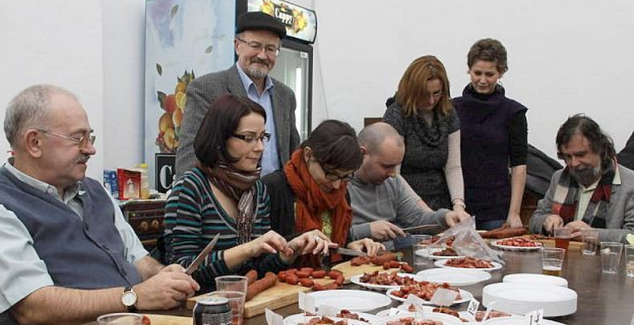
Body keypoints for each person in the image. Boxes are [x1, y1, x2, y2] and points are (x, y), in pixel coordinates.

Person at [0, 85, 199, 325]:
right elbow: (33, 306)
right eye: (78, 138)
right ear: (34, 143)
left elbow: (138, 260)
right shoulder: (0, 204)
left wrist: (164, 277)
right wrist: (134, 296)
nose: (90, 149)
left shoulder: (95, 190)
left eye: (90, 137)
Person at [164, 95, 332, 291]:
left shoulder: (257, 190)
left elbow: (257, 270)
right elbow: (182, 271)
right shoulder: (191, 188)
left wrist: (288, 252)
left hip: (243, 303)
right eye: (249, 138)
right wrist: (248, 248)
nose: (260, 147)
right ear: (220, 138)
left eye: (262, 137)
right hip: (198, 308)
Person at [176, 11, 300, 177]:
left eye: (270, 49)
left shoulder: (286, 96)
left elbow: (293, 155)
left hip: (277, 198)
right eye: (255, 46)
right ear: (237, 45)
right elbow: (189, 157)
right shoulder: (205, 89)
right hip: (227, 198)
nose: (262, 55)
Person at [262, 120, 383, 262]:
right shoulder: (273, 188)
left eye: (344, 177)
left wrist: (350, 249)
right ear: (308, 155)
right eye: (330, 174)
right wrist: (291, 248)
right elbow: (260, 259)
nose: (337, 185)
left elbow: (333, 248)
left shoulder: (341, 193)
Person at [453, 38, 528, 230]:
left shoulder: (514, 112)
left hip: (496, 206)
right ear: (469, 70)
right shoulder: (453, 108)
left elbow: (519, 165)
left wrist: (514, 213)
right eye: (477, 73)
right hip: (458, 204)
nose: (483, 80)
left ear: (501, 73)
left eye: (490, 74)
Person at [383, 55, 469, 221]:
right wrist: (426, 211)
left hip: (441, 198)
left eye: (436, 94)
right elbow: (394, 174)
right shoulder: (397, 115)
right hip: (406, 203)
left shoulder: (448, 113)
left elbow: (453, 166)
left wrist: (458, 205)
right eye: (424, 94)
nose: (431, 100)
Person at [349, 122, 462, 241]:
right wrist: (367, 230)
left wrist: (444, 217)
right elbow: (332, 237)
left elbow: (416, 220)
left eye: (395, 166)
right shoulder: (338, 185)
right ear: (362, 154)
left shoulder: (393, 182)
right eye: (386, 166)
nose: (393, 174)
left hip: (392, 255)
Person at [530, 114, 634, 242]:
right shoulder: (559, 178)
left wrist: (593, 234)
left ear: (600, 149)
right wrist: (547, 220)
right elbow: (535, 219)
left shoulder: (629, 183)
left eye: (581, 155)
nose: (574, 163)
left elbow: (632, 237)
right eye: (568, 156)